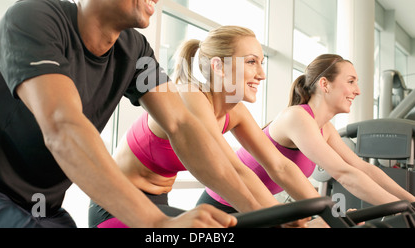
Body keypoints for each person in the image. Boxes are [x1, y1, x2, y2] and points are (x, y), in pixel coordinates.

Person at [0, 0, 245, 228]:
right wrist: (157, 222)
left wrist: (264, 211)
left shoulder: (134, 50)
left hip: (42, 207)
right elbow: (63, 125)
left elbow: (181, 124)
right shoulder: (33, 19)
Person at [89, 25, 321, 228]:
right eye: (251, 62)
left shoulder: (236, 112)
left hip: (158, 202)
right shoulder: (190, 96)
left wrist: (324, 216)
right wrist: (273, 217)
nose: (261, 74)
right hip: (115, 202)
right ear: (218, 66)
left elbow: (280, 166)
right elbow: (231, 169)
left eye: (261, 63)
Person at [199, 54, 415, 212]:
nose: (357, 90)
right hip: (223, 207)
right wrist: (402, 207)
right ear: (325, 84)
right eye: (351, 82)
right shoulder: (297, 117)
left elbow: (362, 168)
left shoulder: (325, 129)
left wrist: (410, 202)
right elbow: (344, 175)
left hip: (253, 207)